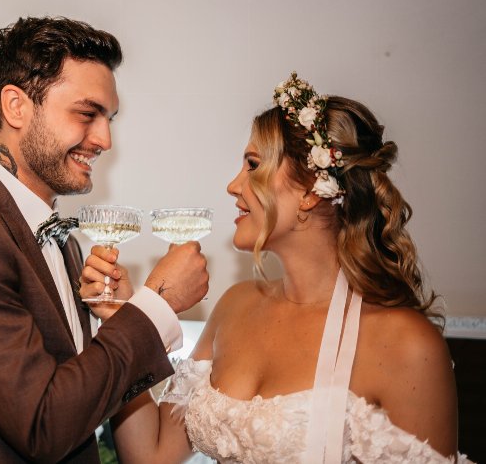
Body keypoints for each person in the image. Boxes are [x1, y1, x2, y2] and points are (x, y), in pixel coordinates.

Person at [81, 72, 474, 463]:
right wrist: (124, 320)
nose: (233, 185)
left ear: (310, 192)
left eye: (253, 165)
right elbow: (150, 456)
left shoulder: (407, 344)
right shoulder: (235, 306)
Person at [0, 16, 209, 463]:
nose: (105, 140)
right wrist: (157, 303)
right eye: (87, 114)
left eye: (109, 119)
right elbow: (43, 424)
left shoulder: (65, 244)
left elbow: (77, 400)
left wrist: (115, 321)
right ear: (16, 106)